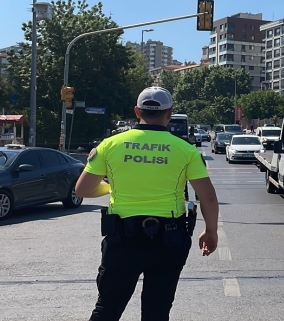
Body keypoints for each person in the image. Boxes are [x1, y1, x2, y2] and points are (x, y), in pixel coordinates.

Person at [75, 86, 219, 321]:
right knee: (156, 311)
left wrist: (114, 186)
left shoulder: (110, 145)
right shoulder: (186, 150)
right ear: (169, 113)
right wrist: (210, 231)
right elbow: (208, 197)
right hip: (168, 241)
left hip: (121, 240)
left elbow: (83, 189)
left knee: (107, 308)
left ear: (136, 111)